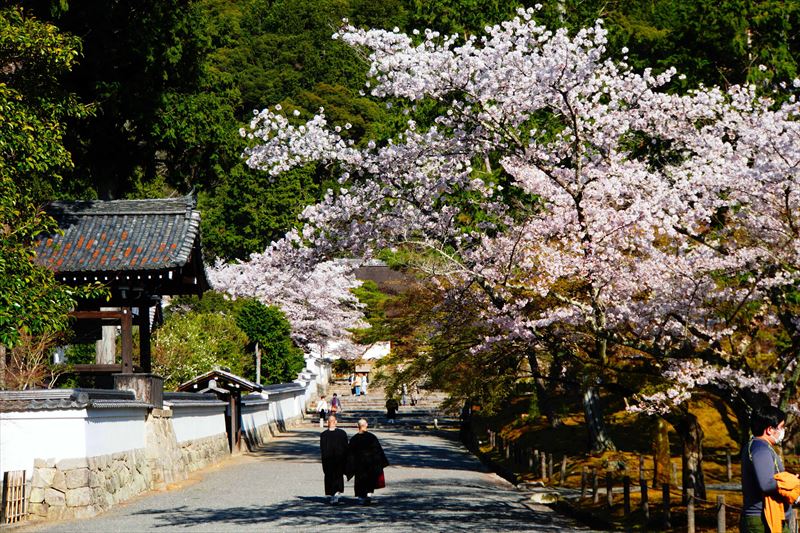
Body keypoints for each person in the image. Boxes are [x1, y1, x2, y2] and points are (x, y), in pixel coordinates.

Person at [741, 405, 800, 532]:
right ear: (769, 430)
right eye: (781, 427)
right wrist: (790, 482)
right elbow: (766, 484)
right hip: (762, 519)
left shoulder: (758, 446)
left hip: (768, 516)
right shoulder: (760, 449)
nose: (783, 431)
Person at [346, 419, 389, 505]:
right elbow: (378, 451)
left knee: (359, 481)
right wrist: (380, 463)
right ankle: (368, 495)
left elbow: (350, 454)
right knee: (370, 479)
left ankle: (361, 498)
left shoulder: (354, 439)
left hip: (359, 465)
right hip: (370, 464)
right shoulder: (372, 437)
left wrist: (350, 466)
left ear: (357, 426)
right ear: (366, 425)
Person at [320, 415, 348, 505]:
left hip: (328, 460)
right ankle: (336, 493)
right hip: (339, 459)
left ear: (327, 422)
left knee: (329, 476)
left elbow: (322, 449)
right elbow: (346, 447)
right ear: (336, 422)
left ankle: (332, 494)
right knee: (338, 476)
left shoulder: (324, 435)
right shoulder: (342, 433)